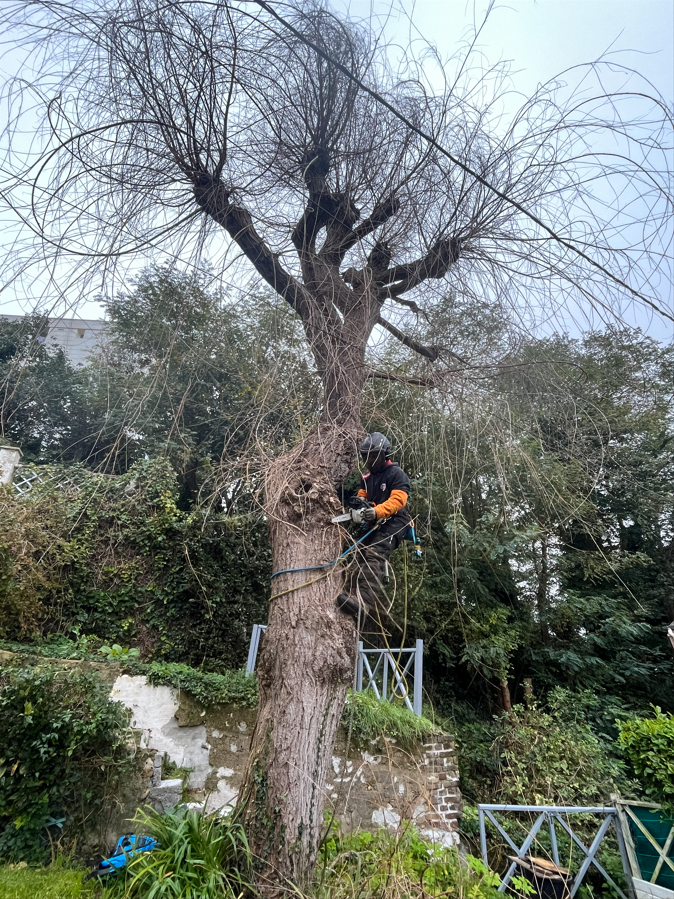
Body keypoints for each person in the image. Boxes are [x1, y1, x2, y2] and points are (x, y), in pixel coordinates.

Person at [337, 432, 411, 624]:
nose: (369, 460)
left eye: (373, 455)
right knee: (356, 553)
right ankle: (350, 594)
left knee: (374, 555)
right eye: (366, 456)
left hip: (394, 521)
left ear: (384, 454)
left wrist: (377, 511)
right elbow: (362, 495)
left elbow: (398, 500)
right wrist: (360, 504)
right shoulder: (367, 477)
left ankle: (363, 603)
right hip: (373, 522)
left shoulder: (396, 474)